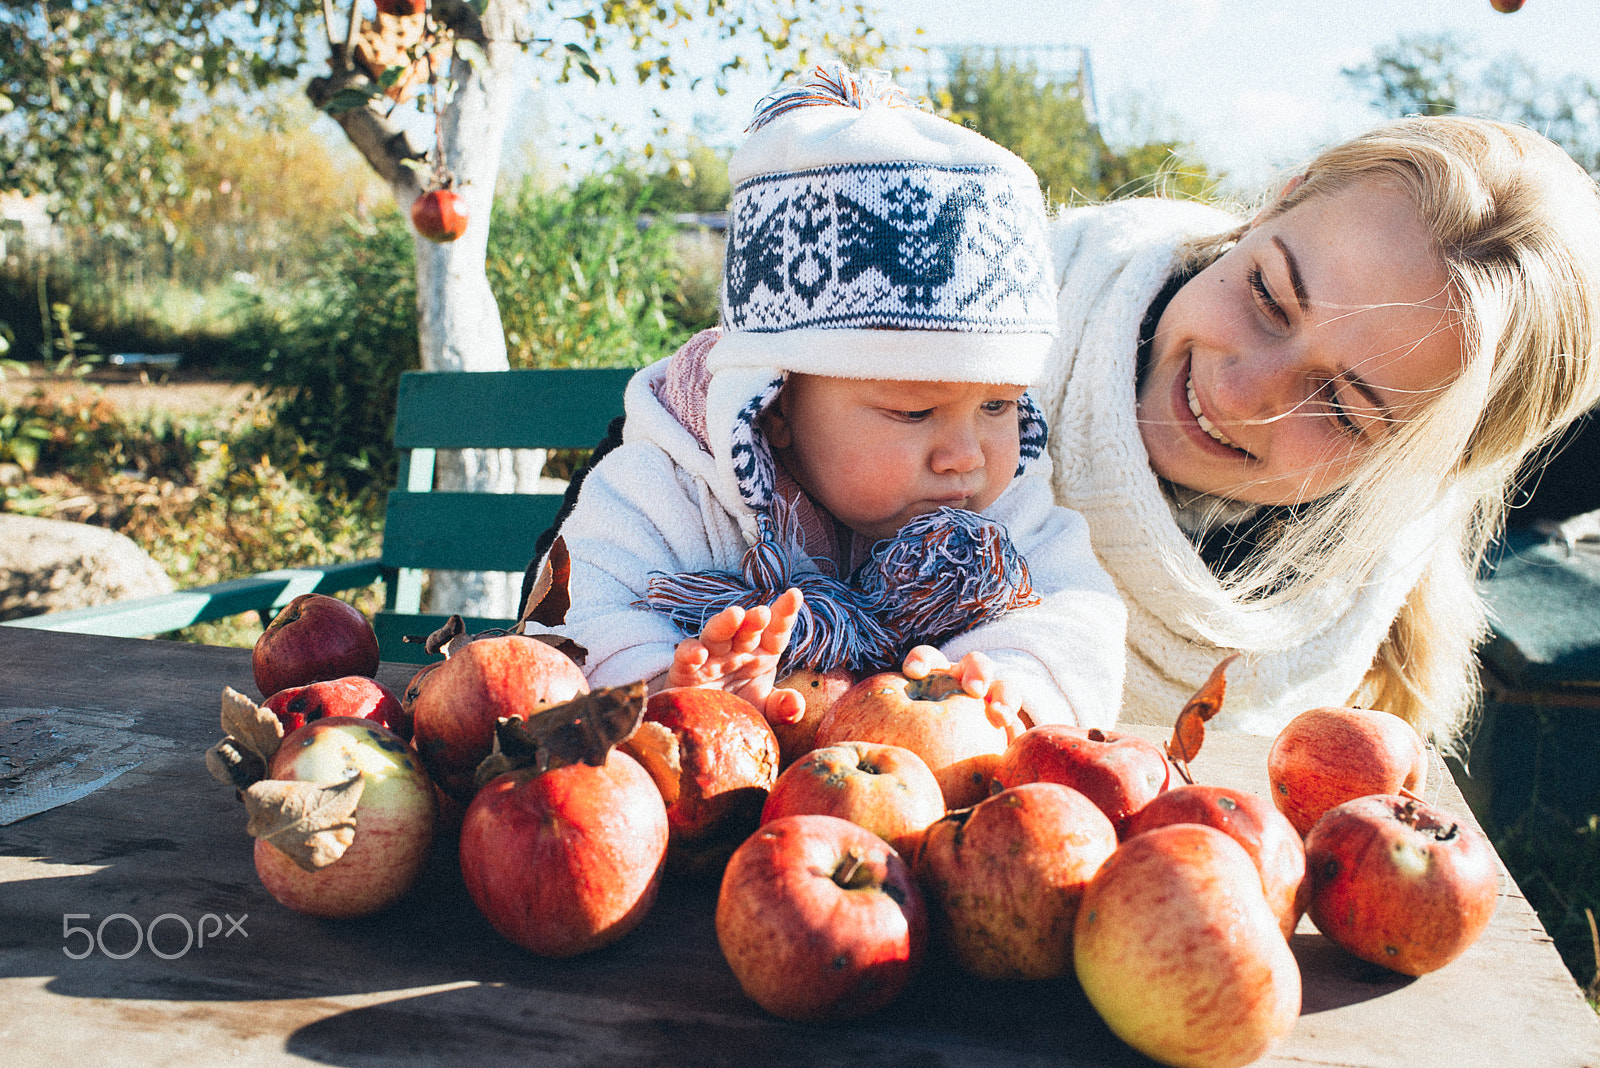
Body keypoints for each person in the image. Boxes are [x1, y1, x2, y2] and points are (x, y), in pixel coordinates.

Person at [533, 64, 1127, 733]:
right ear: (775, 405)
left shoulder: (1003, 509)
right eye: (914, 411)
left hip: (918, 810)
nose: (966, 456)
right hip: (697, 805)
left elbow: (1080, 617)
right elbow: (569, 619)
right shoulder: (663, 490)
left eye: (997, 406)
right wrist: (669, 687)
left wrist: (1003, 687)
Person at [1035, 115, 1600, 750]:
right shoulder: (952, 318)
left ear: (1421, 471)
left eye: (1340, 408)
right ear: (1277, 204)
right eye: (1268, 296)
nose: (1239, 393)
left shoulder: (1352, 692)